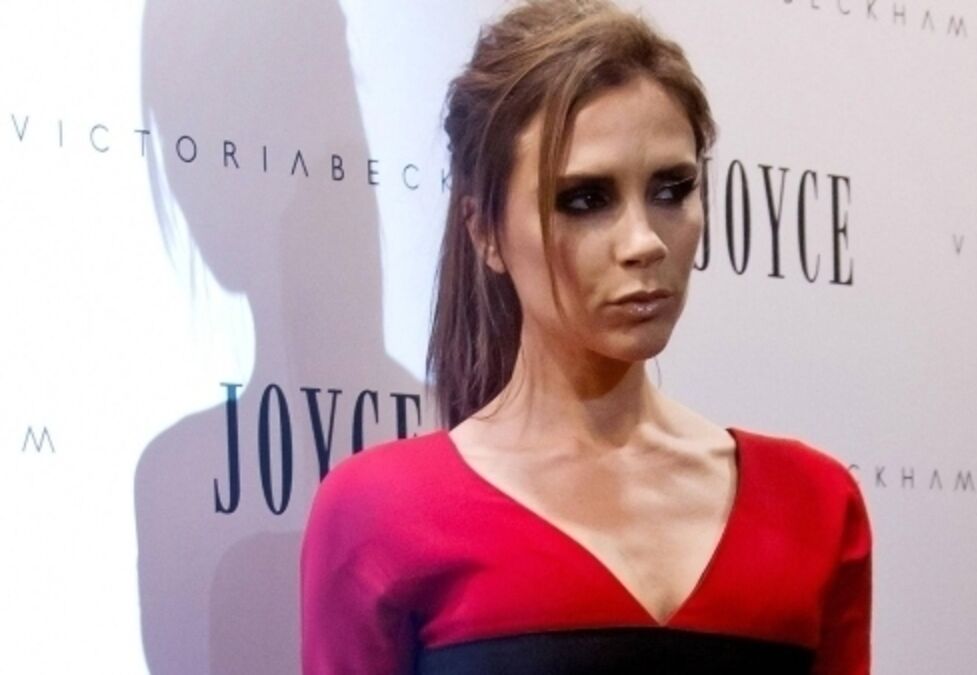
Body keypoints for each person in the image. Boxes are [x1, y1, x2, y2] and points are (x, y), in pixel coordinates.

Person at [300, 1, 872, 673]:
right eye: (585, 199)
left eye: (672, 189)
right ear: (484, 231)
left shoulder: (812, 504)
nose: (644, 242)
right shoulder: (382, 513)